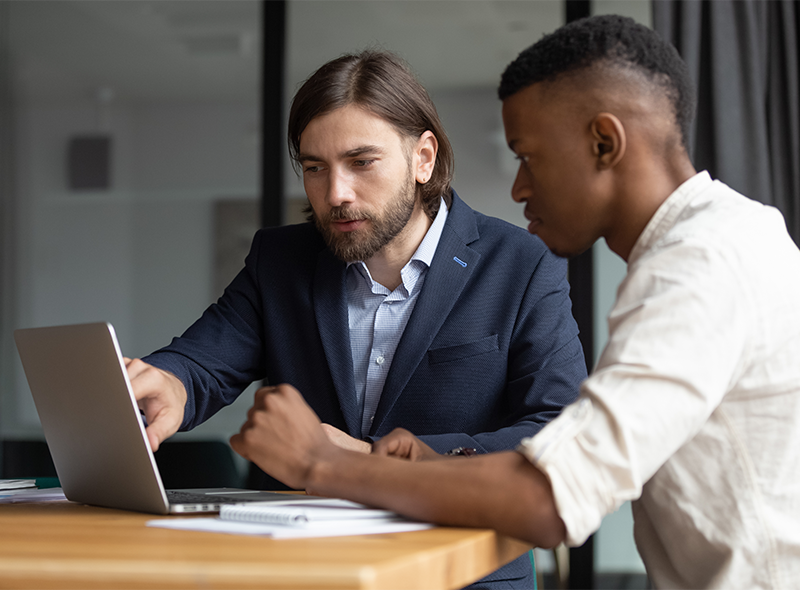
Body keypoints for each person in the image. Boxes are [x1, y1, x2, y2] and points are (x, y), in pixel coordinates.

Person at [228, 15, 800, 590]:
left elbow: (548, 497)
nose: (519, 187)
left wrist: (325, 463)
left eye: (528, 157)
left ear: (605, 143)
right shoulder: (730, 238)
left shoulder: (701, 265)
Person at [126, 50, 587, 589]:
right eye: (315, 168)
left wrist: (375, 463)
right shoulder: (281, 261)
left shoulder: (522, 265)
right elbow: (203, 362)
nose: (335, 194)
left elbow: (560, 432)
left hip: (460, 574)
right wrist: (171, 383)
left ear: (423, 158)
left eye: (361, 162)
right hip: (306, 573)